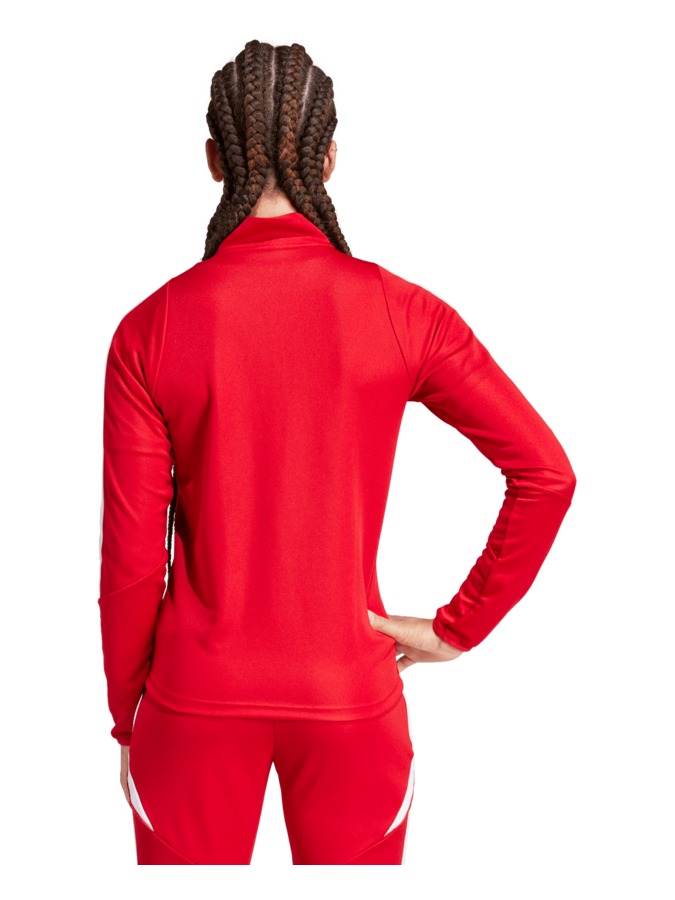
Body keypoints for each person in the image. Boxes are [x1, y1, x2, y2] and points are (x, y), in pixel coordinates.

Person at [97, 39, 576, 866]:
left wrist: (126, 718)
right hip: (348, 692)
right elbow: (545, 474)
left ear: (213, 160)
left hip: (193, 701)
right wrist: (457, 629)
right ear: (328, 159)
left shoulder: (150, 329)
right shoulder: (402, 313)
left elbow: (132, 561)